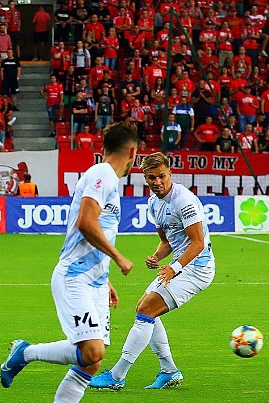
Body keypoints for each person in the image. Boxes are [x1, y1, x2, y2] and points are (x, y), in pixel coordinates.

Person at [0, 122, 138, 403]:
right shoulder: (102, 174)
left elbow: (97, 230)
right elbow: (86, 223)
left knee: (92, 361)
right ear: (132, 152)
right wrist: (118, 257)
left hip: (94, 281)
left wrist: (106, 279)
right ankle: (25, 353)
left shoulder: (107, 179)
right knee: (93, 350)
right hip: (74, 277)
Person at [90, 153, 215, 391]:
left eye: (161, 176)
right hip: (179, 266)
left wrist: (173, 268)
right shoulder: (153, 202)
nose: (157, 181)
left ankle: (117, 377)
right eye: (151, 177)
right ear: (144, 178)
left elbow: (197, 243)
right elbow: (167, 241)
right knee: (144, 308)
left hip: (198, 268)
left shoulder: (183, 200)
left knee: (146, 310)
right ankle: (169, 371)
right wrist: (157, 257)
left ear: (170, 174)